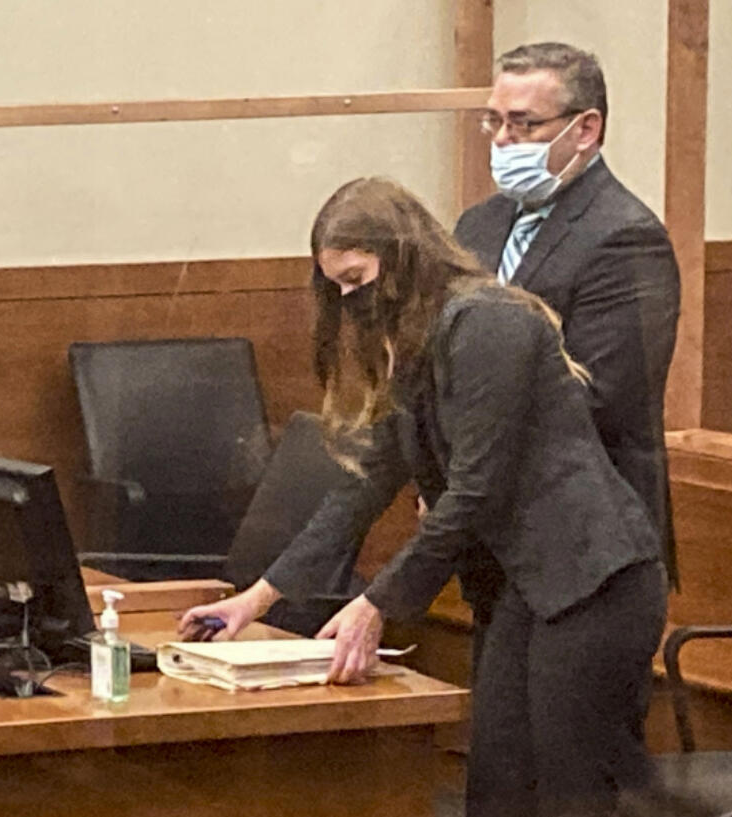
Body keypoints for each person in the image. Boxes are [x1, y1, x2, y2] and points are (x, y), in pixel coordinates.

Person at [180, 177, 667, 817]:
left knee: (567, 795)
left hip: (593, 581)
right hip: (528, 585)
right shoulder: (422, 339)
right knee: (495, 787)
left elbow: (476, 491)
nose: (351, 300)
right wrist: (260, 596)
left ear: (402, 255)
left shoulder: (488, 322)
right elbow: (365, 484)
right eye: (339, 289)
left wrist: (377, 601)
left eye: (357, 279)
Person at [457, 42, 680, 590]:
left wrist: (467, 452)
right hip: (492, 538)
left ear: (585, 129)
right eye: (495, 122)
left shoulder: (626, 236)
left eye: (524, 124)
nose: (504, 140)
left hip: (588, 542)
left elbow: (599, 395)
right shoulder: (478, 226)